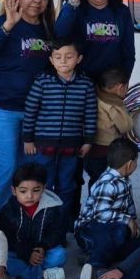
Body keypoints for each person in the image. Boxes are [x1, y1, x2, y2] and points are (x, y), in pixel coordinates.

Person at [0, 0, 55, 212]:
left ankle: (26, 219)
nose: (37, 1)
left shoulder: (48, 27)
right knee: (6, 166)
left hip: (37, 111)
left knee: (31, 169)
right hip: (4, 107)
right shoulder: (5, 22)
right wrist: (8, 25)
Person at [21, 38, 96, 229]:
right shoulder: (42, 82)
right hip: (43, 146)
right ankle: (40, 225)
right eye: (58, 57)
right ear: (51, 60)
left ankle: (60, 226)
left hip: (71, 147)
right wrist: (28, 139)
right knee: (43, 185)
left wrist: (88, 140)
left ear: (78, 59)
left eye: (69, 56)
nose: (63, 61)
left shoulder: (85, 85)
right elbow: (30, 111)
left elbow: (90, 114)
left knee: (67, 186)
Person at [75, 139, 140, 279]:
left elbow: (128, 206)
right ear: (129, 164)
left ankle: (95, 253)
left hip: (113, 227)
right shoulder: (108, 183)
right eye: (136, 161)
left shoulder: (124, 180)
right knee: (119, 232)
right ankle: (95, 264)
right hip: (90, 230)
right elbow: (101, 214)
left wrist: (133, 222)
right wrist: (127, 220)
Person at [55, 0, 135, 79]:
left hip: (109, 86)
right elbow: (59, 34)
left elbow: (128, 53)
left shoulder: (121, 12)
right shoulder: (76, 8)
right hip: (79, 84)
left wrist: (122, 82)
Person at [0, 164, 67, 279]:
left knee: (60, 255)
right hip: (18, 253)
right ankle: (42, 275)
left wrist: (43, 247)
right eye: (23, 191)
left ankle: (19, 274)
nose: (29, 196)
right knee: (4, 258)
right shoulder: (7, 211)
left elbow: (57, 232)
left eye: (36, 190)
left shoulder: (52, 207)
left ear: (44, 188)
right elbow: (7, 240)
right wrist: (27, 254)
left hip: (41, 253)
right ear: (14, 191)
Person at [87, 67, 132, 183]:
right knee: (108, 178)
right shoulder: (113, 105)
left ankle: (94, 198)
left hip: (91, 148)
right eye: (127, 87)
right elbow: (126, 126)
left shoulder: (94, 97)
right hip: (107, 149)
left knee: (95, 178)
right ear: (120, 87)